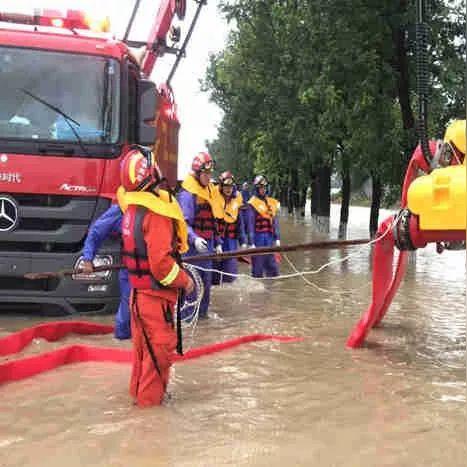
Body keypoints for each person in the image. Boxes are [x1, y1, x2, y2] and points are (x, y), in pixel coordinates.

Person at [119, 146, 194, 407]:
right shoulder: (156, 214)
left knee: (142, 355)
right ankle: (149, 421)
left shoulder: (132, 209)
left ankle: (139, 400)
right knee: (158, 356)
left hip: (138, 297)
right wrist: (186, 280)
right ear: (149, 173)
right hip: (154, 300)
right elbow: (162, 265)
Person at [177, 152, 224, 319]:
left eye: (210, 173)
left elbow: (214, 218)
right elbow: (184, 223)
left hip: (208, 245)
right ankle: (187, 319)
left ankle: (202, 320)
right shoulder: (188, 194)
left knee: (206, 287)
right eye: (205, 174)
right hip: (192, 249)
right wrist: (194, 238)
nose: (208, 177)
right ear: (197, 173)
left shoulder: (210, 191)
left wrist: (218, 242)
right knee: (192, 287)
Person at [81, 205, 130, 340]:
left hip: (158, 271)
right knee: (127, 315)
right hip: (131, 271)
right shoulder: (121, 209)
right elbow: (96, 232)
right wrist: (87, 259)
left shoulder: (162, 205)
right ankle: (122, 342)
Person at [212, 171, 247, 285]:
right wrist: (217, 243)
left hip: (231, 241)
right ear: (221, 186)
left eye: (230, 186)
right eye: (226, 186)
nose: (228, 189)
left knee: (230, 276)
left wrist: (243, 242)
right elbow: (211, 222)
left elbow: (240, 222)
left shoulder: (237, 199)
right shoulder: (213, 197)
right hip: (216, 241)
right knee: (214, 276)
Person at [247, 175, 281, 278]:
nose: (263, 190)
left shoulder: (271, 202)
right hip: (258, 238)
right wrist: (251, 242)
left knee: (273, 268)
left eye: (265, 187)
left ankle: (271, 290)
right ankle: (257, 292)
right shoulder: (252, 204)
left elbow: (274, 222)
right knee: (258, 269)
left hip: (269, 238)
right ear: (257, 189)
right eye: (261, 188)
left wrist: (277, 238)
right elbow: (250, 225)